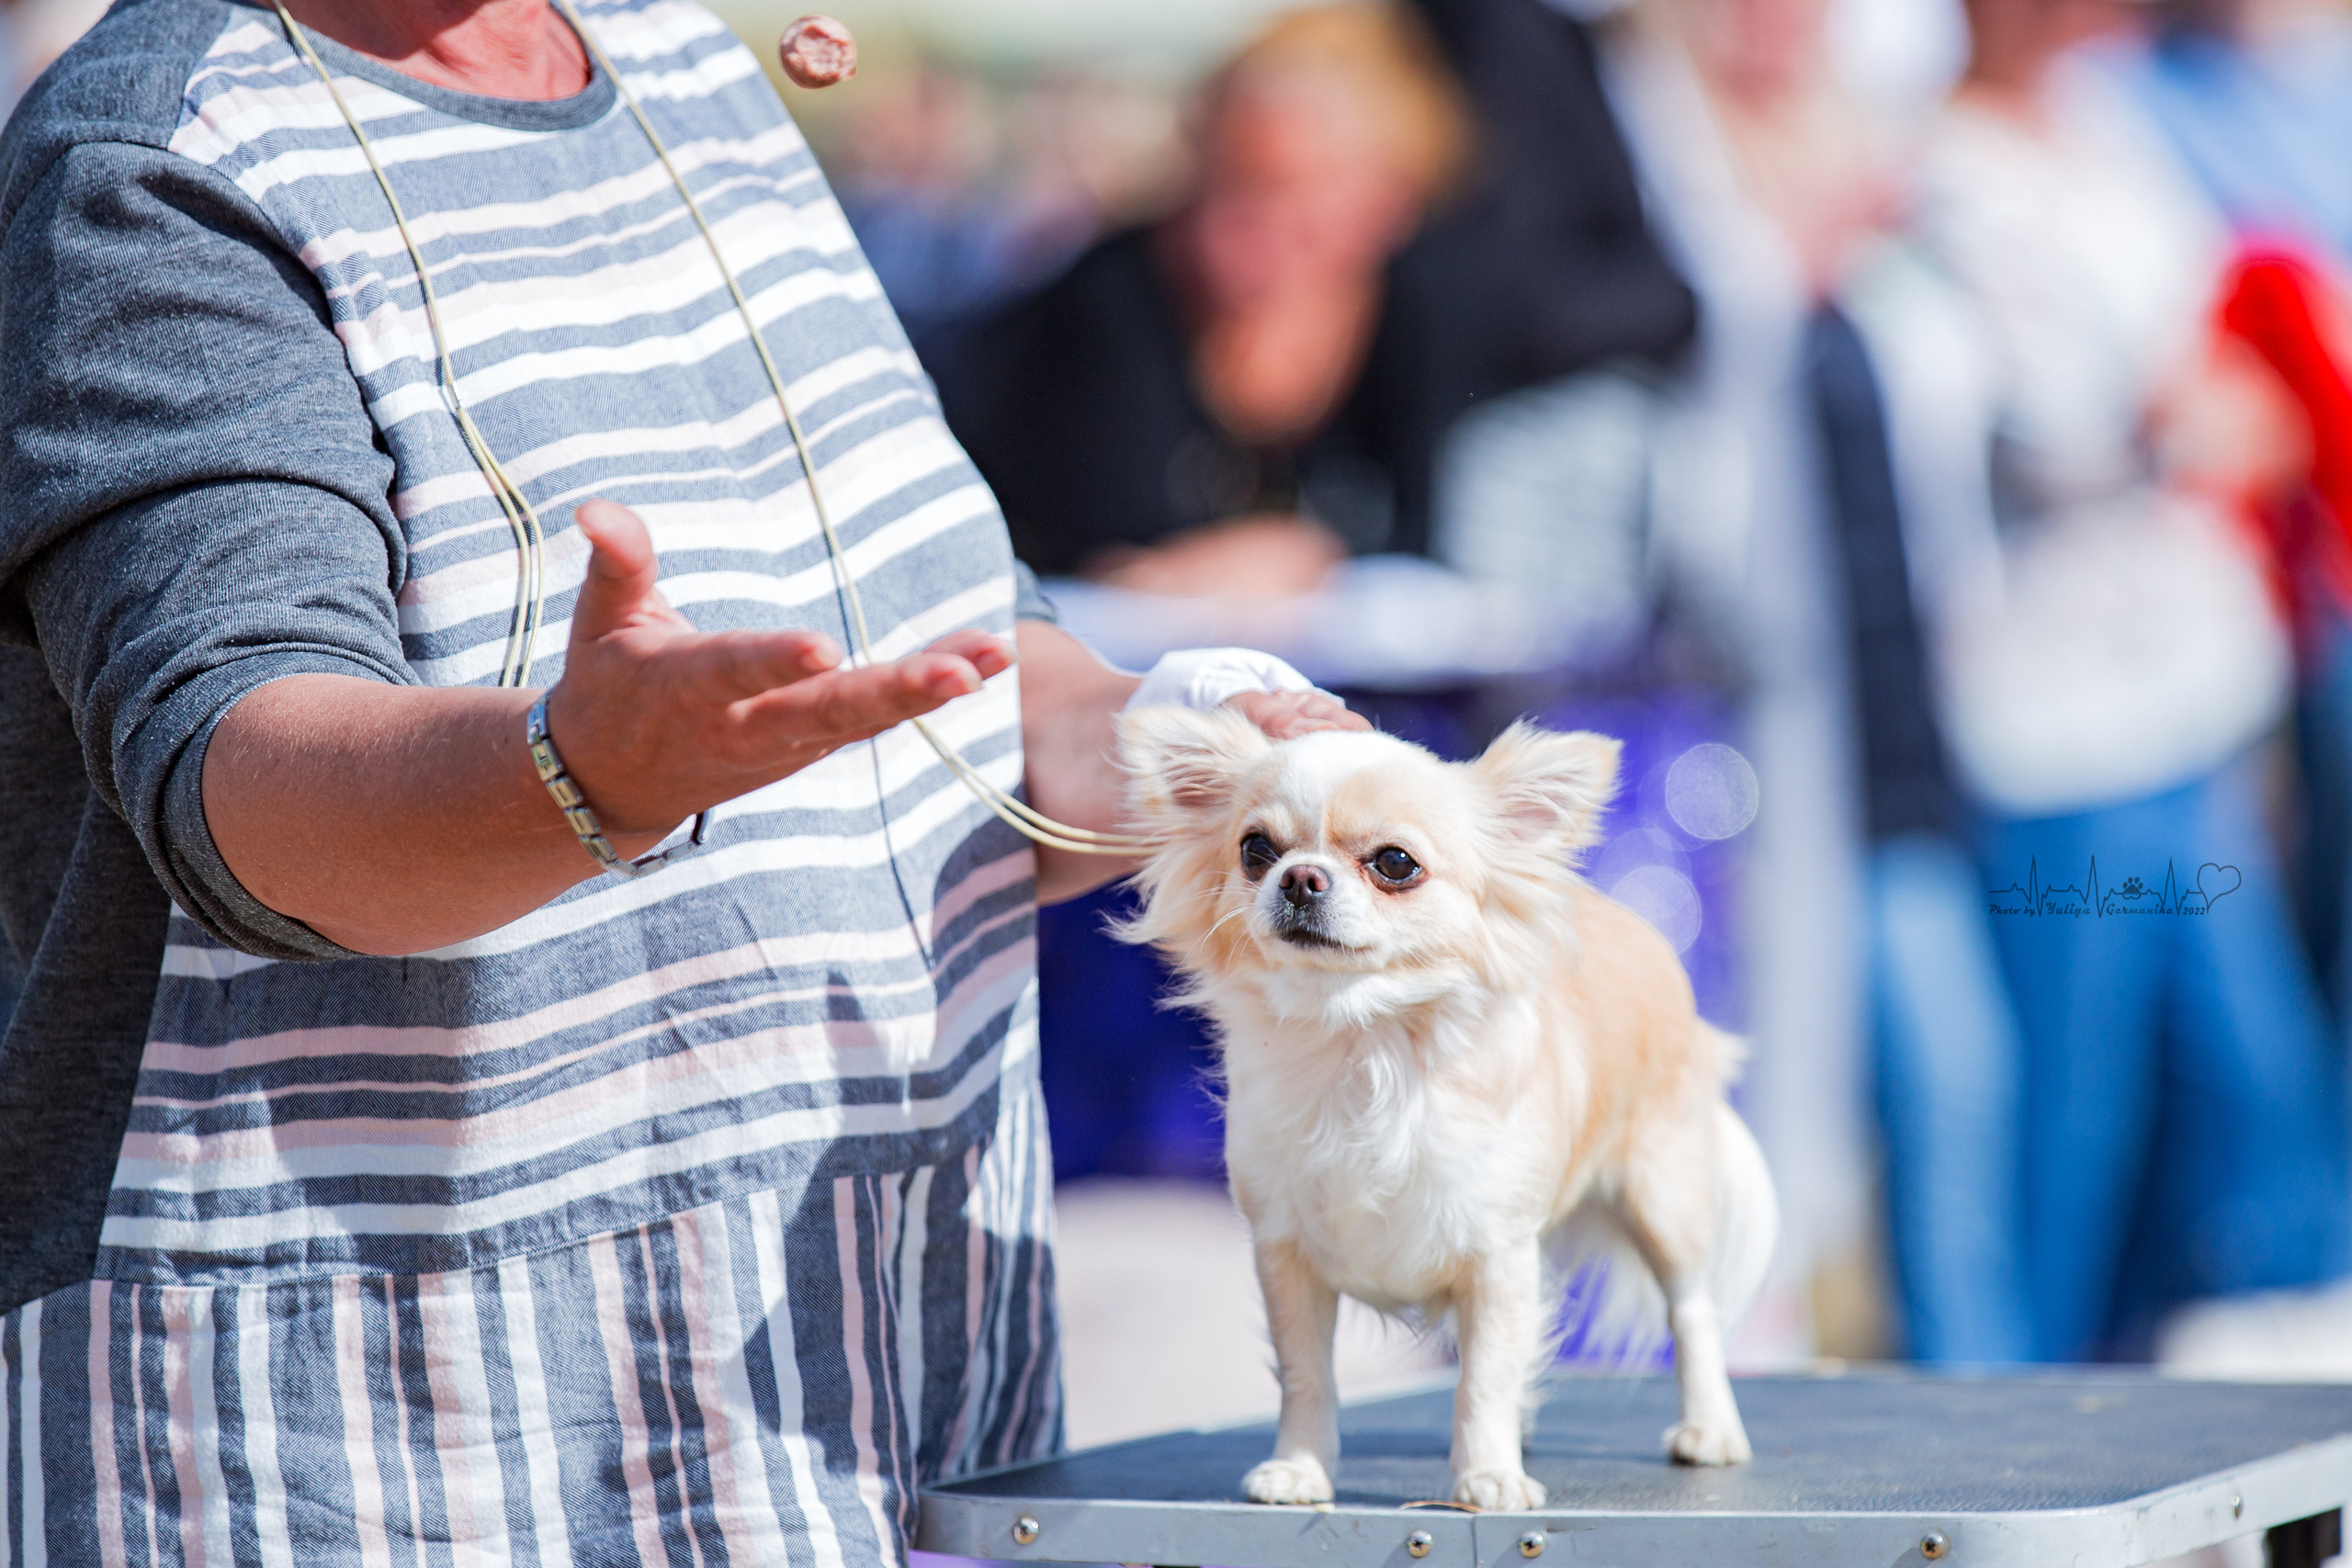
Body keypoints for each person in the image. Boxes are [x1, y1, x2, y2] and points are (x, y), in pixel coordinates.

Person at [0, 0, 1362, 1558]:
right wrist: (580, 774)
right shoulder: (157, 159)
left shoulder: (687, 61)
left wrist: (1187, 744)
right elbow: (245, 791)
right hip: (403, 1444)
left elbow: (958, 669)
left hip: (845, 1393)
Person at [1903, 0, 2348, 1359]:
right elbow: (2061, 431)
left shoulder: (2109, 126)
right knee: (2072, 1141)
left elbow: (2222, 349)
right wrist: (2199, 413)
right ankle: (2030, 1466)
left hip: (2194, 707)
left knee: (2254, 1114)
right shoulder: (1942, 173)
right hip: (2061, 740)